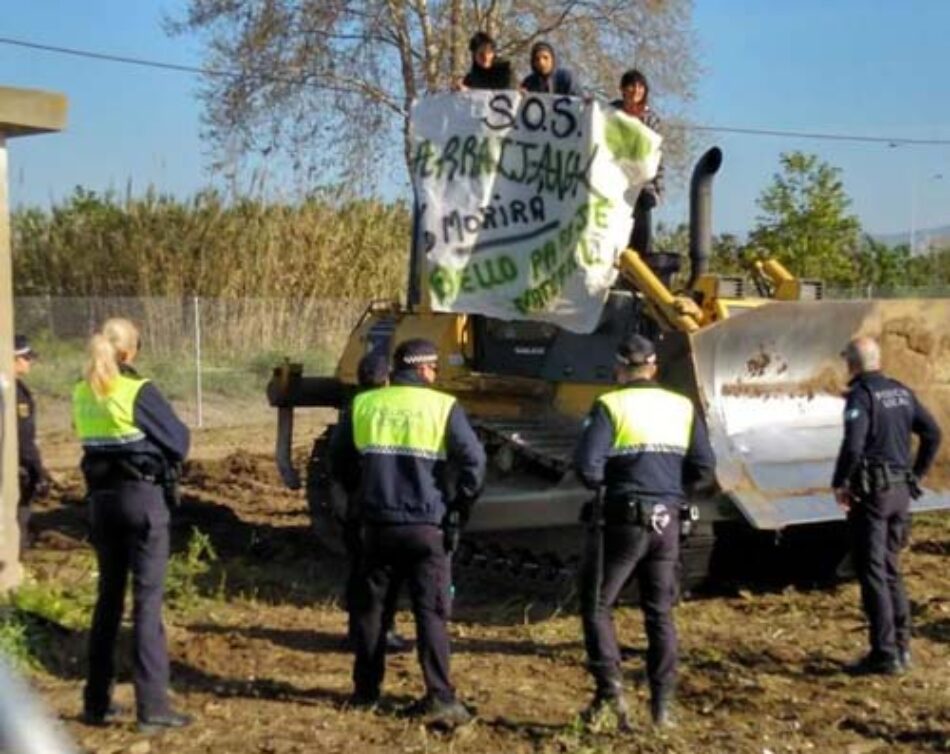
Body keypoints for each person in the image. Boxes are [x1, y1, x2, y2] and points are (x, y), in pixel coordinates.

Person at [330, 338, 486, 727]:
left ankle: (365, 693)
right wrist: (457, 508)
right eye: (434, 368)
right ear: (425, 368)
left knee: (372, 612)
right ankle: (440, 696)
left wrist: (360, 496)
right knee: (430, 613)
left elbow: (340, 461)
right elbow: (474, 462)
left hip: (376, 526)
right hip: (426, 527)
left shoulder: (363, 405)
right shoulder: (442, 407)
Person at [574, 334, 716, 729]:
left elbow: (587, 467)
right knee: (659, 612)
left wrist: (612, 486)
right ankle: (663, 708)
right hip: (667, 520)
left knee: (599, 604)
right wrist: (671, 492)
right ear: (653, 366)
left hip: (623, 519)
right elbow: (704, 466)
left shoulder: (610, 405)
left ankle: (610, 693)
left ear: (620, 368)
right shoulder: (682, 406)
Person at [72, 318, 192, 732]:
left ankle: (96, 702)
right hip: (141, 501)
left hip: (100, 503)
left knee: (107, 601)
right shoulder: (137, 390)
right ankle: (153, 706)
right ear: (129, 352)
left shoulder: (81, 392)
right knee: (147, 603)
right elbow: (179, 440)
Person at [832, 336, 942, 675]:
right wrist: (916, 474)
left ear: (852, 364)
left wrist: (840, 481)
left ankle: (884, 653)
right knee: (892, 569)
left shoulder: (861, 397)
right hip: (899, 494)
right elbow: (933, 433)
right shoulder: (901, 391)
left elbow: (853, 445)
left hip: (874, 496)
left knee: (873, 572)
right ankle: (903, 646)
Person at [340, 351, 411, 654]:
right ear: (386, 379)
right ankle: (381, 631)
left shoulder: (355, 408)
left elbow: (339, 458)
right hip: (381, 501)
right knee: (382, 575)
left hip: (357, 500)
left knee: (361, 569)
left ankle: (359, 631)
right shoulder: (381, 407)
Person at [612, 69, 664, 255]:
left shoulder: (651, 119)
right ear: (623, 89)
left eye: (640, 86)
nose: (636, 90)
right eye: (631, 85)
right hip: (613, 186)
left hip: (641, 188)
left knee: (640, 240)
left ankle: (637, 281)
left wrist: (657, 190)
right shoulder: (609, 113)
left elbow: (657, 157)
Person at [14, 334, 50, 553]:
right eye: (26, 357)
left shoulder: (15, 388)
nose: (30, 362)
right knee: (18, 517)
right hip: (15, 467)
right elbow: (23, 437)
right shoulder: (15, 393)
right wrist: (37, 470)